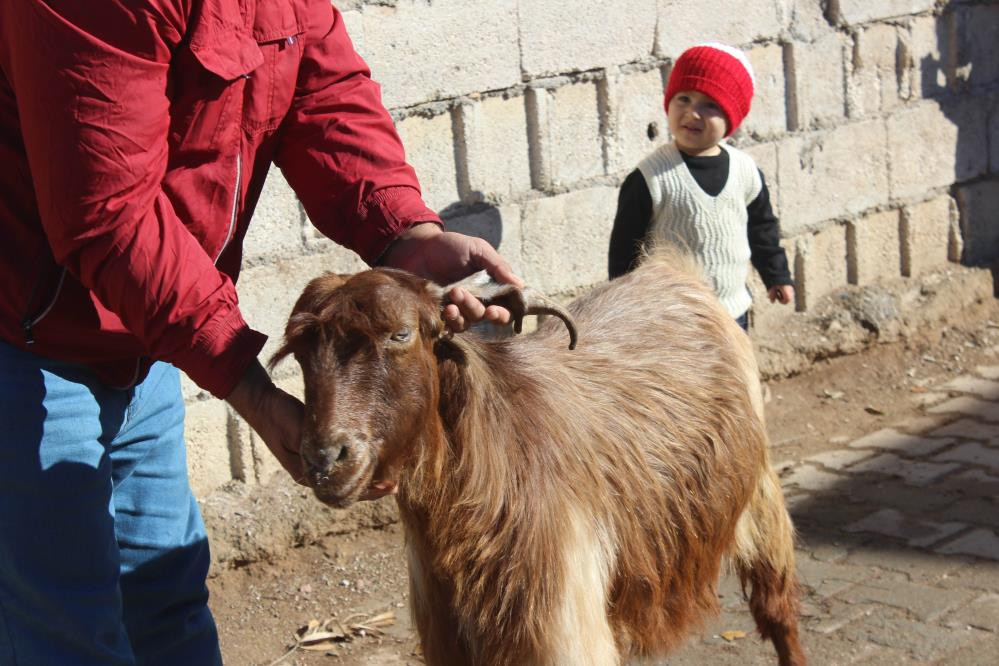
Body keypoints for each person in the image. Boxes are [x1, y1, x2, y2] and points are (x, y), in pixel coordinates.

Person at [0, 1, 520, 663]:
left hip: (137, 336)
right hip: (24, 339)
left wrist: (404, 234)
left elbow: (325, 94)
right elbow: (109, 217)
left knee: (164, 599)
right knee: (65, 628)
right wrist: (249, 386)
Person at [607, 42, 794, 330]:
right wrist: (623, 307)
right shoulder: (651, 178)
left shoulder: (745, 171)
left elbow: (762, 229)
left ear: (732, 118)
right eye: (684, 98)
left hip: (731, 312)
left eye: (710, 105)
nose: (693, 113)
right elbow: (625, 249)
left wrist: (777, 275)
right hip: (671, 318)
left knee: (729, 375)